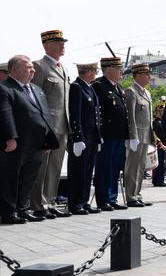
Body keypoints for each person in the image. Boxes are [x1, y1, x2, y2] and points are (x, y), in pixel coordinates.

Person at [1, 55, 59, 223]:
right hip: (18, 143)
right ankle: (9, 213)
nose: (33, 70)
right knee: (12, 178)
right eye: (28, 67)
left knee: (29, 177)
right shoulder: (5, 88)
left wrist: (49, 138)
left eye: (33, 67)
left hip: (37, 142)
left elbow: (45, 114)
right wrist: (10, 137)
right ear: (14, 70)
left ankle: (23, 209)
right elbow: (5, 114)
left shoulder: (36, 89)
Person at [31, 30, 71, 218]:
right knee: (42, 167)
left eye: (63, 42)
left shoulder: (62, 68)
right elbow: (36, 98)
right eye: (58, 42)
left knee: (55, 166)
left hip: (62, 124)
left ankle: (51, 200)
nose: (62, 46)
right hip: (48, 126)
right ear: (47, 45)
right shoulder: (39, 66)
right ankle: (39, 204)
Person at [92, 57, 129, 211]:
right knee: (104, 168)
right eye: (119, 68)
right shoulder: (99, 86)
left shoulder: (117, 87)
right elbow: (96, 113)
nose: (122, 71)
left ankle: (112, 197)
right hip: (106, 135)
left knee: (115, 168)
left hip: (119, 135)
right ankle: (103, 199)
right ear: (109, 69)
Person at [67, 62, 102, 214]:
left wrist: (98, 137)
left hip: (92, 137)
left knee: (88, 171)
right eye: (95, 71)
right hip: (82, 137)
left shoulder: (89, 87)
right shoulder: (76, 87)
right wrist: (77, 137)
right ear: (87, 71)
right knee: (78, 171)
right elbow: (75, 115)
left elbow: (95, 115)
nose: (96, 73)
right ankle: (75, 203)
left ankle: (84, 201)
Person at [123, 63, 154, 207]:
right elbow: (131, 117)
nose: (149, 77)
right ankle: (130, 195)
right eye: (146, 74)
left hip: (146, 134)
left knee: (141, 166)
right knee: (132, 166)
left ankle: (137, 194)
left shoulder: (146, 93)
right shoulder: (131, 92)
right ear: (138, 75)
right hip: (136, 135)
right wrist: (132, 136)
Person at [151, 101, 166, 186]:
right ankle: (157, 181)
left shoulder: (163, 121)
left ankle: (161, 180)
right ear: (157, 112)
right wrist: (160, 144)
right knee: (158, 163)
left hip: (164, 144)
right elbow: (154, 134)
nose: (163, 112)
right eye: (161, 111)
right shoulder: (155, 122)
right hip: (158, 145)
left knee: (162, 163)